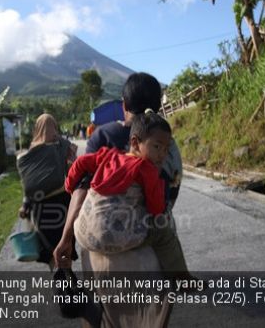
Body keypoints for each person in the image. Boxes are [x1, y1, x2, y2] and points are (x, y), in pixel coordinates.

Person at [54, 72, 185, 327]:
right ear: (157, 106)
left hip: (102, 255)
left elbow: (82, 191)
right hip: (149, 253)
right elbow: (169, 197)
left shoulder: (102, 137)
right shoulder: (166, 145)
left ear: (123, 105)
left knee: (101, 320)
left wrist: (66, 237)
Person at [64, 110, 189, 276]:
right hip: (115, 237)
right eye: (157, 146)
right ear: (135, 143)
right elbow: (155, 209)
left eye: (166, 149)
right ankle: (183, 279)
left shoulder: (108, 155)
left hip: (84, 234)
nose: (162, 155)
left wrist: (69, 185)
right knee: (165, 234)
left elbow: (80, 163)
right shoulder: (148, 169)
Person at [17, 113, 77, 266]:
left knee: (50, 246)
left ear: (37, 128)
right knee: (64, 241)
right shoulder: (62, 145)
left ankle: (62, 278)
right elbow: (72, 171)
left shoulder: (30, 152)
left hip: (39, 208)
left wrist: (25, 205)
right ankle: (65, 279)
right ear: (54, 126)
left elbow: (27, 185)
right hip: (61, 203)